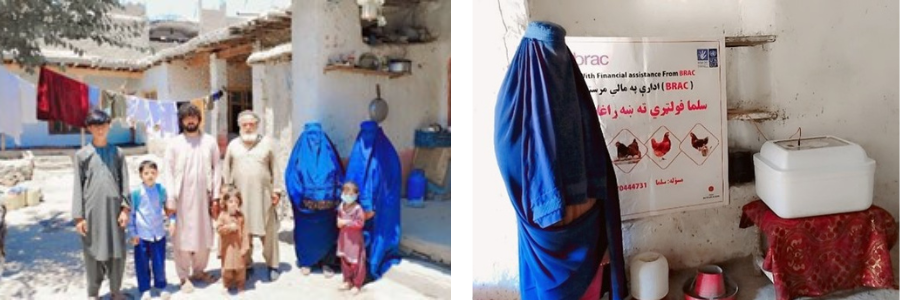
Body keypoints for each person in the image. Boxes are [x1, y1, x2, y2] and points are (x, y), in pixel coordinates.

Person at [493, 21, 627, 300]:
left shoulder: (572, 92)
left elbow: (594, 155)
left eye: (560, 51)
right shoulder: (516, 102)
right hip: (547, 236)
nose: (556, 60)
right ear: (531, 54)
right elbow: (508, 158)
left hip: (586, 227)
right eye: (548, 52)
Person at [72, 109, 131, 300]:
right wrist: (78, 216)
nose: (100, 129)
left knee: (117, 252)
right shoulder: (82, 155)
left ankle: (116, 291)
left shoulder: (117, 153)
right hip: (91, 212)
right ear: (89, 128)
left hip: (114, 212)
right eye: (96, 126)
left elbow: (125, 182)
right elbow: (77, 187)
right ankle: (93, 293)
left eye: (103, 125)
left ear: (109, 126)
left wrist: (125, 208)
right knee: (92, 252)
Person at [164, 103, 221, 293]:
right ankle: (183, 276)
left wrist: (216, 197)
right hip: (181, 198)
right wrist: (170, 198)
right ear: (181, 121)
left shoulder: (209, 142)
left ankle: (199, 271)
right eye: (186, 118)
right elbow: (168, 172)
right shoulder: (174, 143)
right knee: (181, 236)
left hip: (204, 197)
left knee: (204, 234)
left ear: (199, 119)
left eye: (193, 117)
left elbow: (217, 169)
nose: (190, 120)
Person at [222, 110, 283, 281]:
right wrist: (227, 194)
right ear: (239, 126)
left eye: (252, 124)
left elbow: (275, 169)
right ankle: (247, 265)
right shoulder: (233, 145)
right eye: (244, 124)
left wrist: (276, 191)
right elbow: (226, 169)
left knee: (268, 231)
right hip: (239, 198)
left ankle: (272, 265)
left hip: (264, 196)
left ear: (257, 125)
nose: (248, 127)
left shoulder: (268, 143)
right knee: (243, 232)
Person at [285, 122, 344, 277]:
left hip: (328, 206)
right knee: (306, 235)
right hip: (305, 206)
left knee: (327, 235)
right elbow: (291, 176)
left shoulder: (329, 152)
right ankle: (306, 261)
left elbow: (338, 174)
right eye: (310, 135)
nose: (314, 139)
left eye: (317, 135)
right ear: (304, 136)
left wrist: (337, 196)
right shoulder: (299, 154)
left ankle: (327, 263)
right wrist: (298, 198)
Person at [344, 120, 402, 280]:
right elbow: (352, 177)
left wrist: (376, 200)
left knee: (379, 232)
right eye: (365, 135)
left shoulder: (386, 153)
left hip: (382, 204)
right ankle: (360, 264)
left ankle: (374, 262)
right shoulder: (358, 152)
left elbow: (392, 179)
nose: (366, 139)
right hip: (361, 205)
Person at [127, 160, 171, 300]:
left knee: (159, 262)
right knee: (142, 263)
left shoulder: (161, 190)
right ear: (141, 175)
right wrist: (133, 233)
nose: (150, 176)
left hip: (158, 233)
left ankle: (160, 285)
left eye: (153, 172)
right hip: (142, 235)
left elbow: (167, 208)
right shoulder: (136, 193)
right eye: (146, 173)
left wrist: (171, 222)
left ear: (157, 174)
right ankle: (145, 288)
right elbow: (132, 213)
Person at [216, 189, 250, 294]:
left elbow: (245, 232)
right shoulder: (222, 215)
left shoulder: (241, 216)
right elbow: (219, 229)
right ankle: (227, 284)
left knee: (240, 268)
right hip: (227, 248)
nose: (233, 204)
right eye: (230, 202)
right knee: (227, 268)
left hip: (238, 247)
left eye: (236, 202)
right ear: (225, 203)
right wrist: (229, 227)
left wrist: (245, 246)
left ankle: (240, 284)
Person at [336, 181, 366, 295]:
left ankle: (357, 284)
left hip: (354, 241)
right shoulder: (341, 207)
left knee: (357, 262)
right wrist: (339, 222)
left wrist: (346, 222)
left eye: (351, 194)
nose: (348, 196)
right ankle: (347, 280)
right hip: (344, 239)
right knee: (345, 260)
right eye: (346, 193)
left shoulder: (358, 209)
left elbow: (360, 223)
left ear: (356, 195)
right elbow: (338, 219)